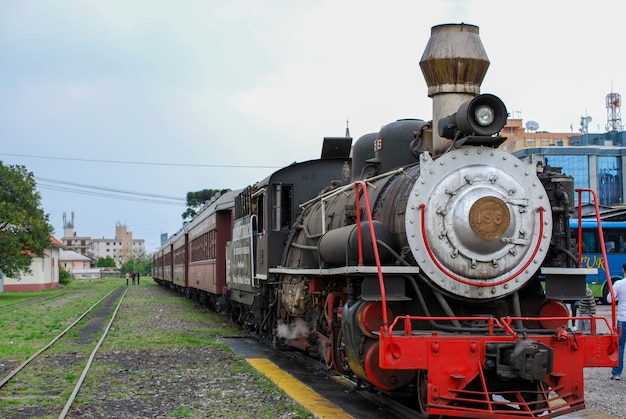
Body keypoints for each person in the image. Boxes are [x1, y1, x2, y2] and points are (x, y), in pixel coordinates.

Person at [608, 262, 626, 380]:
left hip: (622, 319)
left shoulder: (619, 283)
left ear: (623, 270)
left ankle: (617, 373)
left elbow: (610, 299)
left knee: (620, 346)